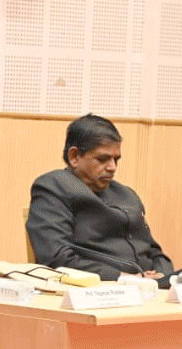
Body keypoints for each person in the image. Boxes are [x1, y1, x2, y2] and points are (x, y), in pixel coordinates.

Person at [25, 114, 173, 281]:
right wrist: (127, 279)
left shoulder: (127, 194)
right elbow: (57, 257)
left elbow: (154, 251)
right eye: (103, 159)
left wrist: (163, 275)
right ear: (74, 157)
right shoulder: (52, 187)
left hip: (149, 287)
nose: (112, 167)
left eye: (116, 159)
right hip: (98, 288)